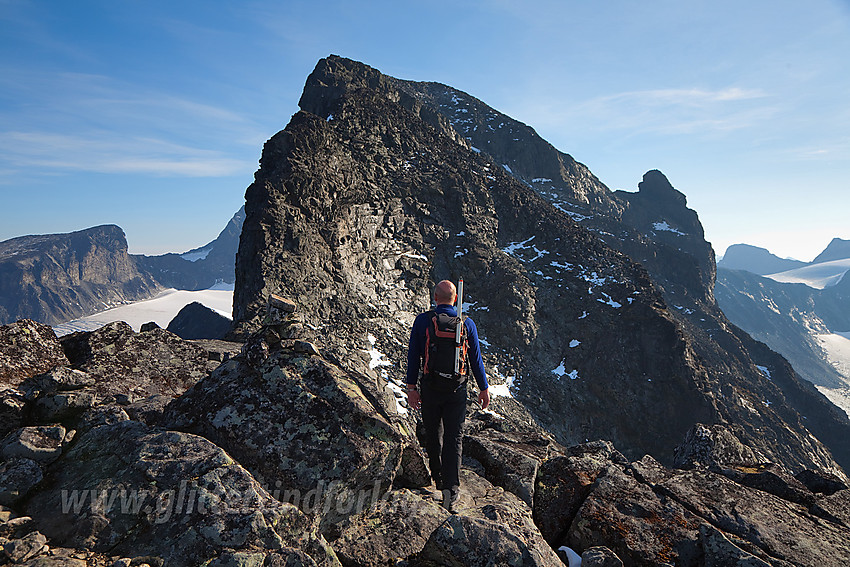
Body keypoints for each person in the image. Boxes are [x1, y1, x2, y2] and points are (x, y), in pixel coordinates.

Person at [406, 279, 489, 512]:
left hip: (430, 388)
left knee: (433, 433)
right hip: (457, 389)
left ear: (435, 297)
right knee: (455, 437)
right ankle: (451, 489)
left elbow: (414, 356)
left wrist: (412, 388)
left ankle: (437, 478)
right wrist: (484, 388)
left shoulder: (423, 321)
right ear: (455, 299)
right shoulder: (466, 323)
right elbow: (476, 359)